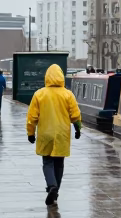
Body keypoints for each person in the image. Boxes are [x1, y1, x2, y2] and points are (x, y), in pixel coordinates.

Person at [26, 64, 81, 206]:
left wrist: (31, 133)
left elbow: (32, 117)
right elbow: (75, 115)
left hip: (45, 133)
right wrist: (78, 129)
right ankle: (56, 191)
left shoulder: (39, 94)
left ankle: (51, 186)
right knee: (59, 164)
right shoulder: (68, 94)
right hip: (62, 133)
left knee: (47, 162)